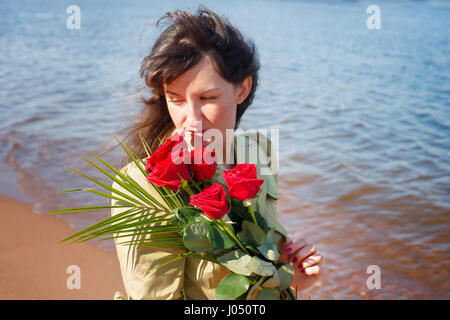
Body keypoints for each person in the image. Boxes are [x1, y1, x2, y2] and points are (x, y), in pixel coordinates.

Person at [110, 6, 322, 300]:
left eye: (207, 98)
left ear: (241, 89)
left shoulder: (257, 150)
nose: (192, 121)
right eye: (176, 100)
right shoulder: (145, 184)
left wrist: (288, 274)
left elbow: (259, 251)